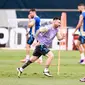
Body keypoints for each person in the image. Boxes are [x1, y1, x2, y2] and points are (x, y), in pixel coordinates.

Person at [73, 3, 85, 82]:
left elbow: (79, 23)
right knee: (77, 44)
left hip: (84, 33)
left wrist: (74, 30)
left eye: (78, 8)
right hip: (82, 33)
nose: (78, 10)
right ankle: (82, 58)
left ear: (81, 7)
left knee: (83, 46)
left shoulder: (82, 14)